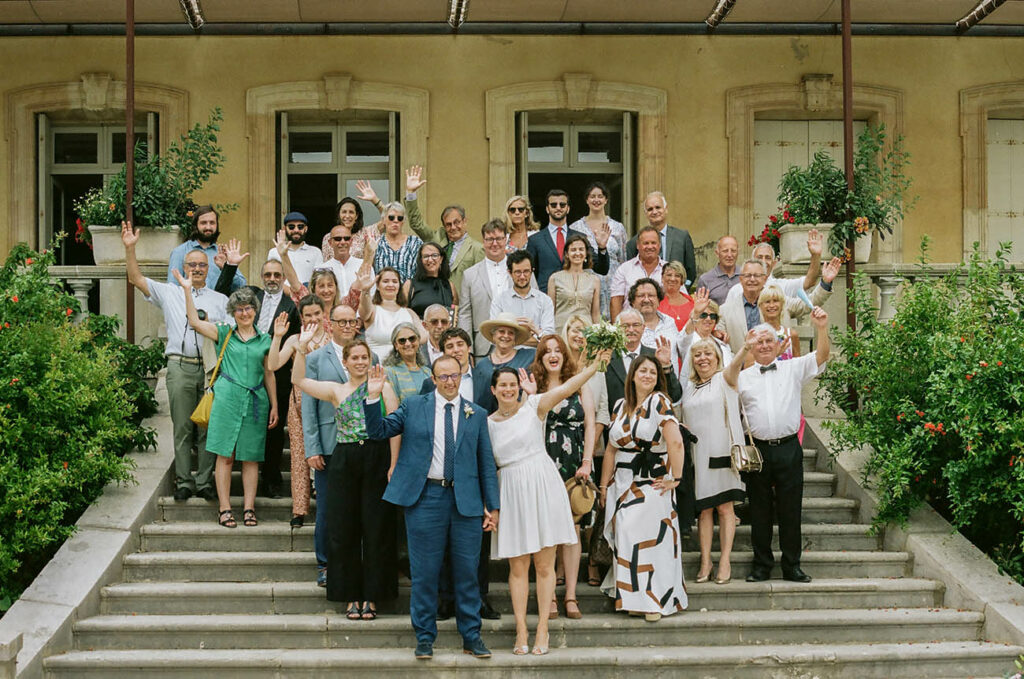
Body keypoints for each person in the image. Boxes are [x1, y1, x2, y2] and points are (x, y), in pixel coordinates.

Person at [362, 356, 500, 661]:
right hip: (425, 498)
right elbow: (378, 431)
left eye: (454, 376)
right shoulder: (414, 406)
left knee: (467, 574)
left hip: (466, 502)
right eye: (443, 377)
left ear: (462, 376)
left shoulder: (475, 413)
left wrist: (494, 506)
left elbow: (486, 464)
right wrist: (373, 397)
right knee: (424, 573)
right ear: (433, 379)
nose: (449, 382)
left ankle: (471, 636)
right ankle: (424, 637)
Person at [488, 351, 611, 655]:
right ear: (493, 390)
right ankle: (521, 629)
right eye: (501, 385)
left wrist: (594, 366)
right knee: (518, 568)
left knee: (544, 566)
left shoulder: (534, 406)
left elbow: (568, 388)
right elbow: (484, 467)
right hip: (511, 490)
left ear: (519, 386)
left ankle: (542, 627)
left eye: (511, 384)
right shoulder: (486, 423)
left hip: (542, 484)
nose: (507, 389)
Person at [293, 332, 399, 619]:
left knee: (376, 528)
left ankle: (374, 596)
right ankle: (351, 594)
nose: (361, 362)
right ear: (346, 361)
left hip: (377, 458)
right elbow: (299, 381)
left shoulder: (384, 388)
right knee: (345, 528)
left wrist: (393, 464)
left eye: (365, 357)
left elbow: (395, 428)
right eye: (355, 357)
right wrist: (301, 349)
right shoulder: (336, 390)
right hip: (345, 459)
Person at [122, 221, 228, 502]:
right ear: (183, 266)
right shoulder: (169, 292)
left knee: (208, 428)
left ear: (208, 269)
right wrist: (130, 248)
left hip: (208, 371)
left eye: (201, 266)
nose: (196, 269)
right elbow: (135, 278)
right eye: (191, 265)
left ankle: (205, 481)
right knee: (182, 427)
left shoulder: (220, 300)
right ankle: (184, 481)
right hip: (179, 366)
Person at [724, 308, 831, 584]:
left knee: (790, 509)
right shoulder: (743, 375)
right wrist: (742, 349)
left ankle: (792, 565)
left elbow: (820, 357)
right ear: (751, 346)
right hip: (758, 451)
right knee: (759, 510)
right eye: (758, 342)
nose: (763, 346)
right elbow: (726, 379)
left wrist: (821, 328)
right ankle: (761, 565)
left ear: (777, 344)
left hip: (788, 448)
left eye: (768, 341)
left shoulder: (792, 369)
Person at [175, 267, 277, 530]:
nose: (244, 313)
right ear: (233, 312)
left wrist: (275, 404)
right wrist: (188, 290)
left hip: (256, 400)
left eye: (248, 308)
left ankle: (249, 507)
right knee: (225, 455)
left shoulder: (265, 339)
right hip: (227, 398)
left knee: (251, 457)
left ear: (255, 310)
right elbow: (195, 322)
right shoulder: (224, 333)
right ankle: (224, 508)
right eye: (239, 309)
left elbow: (269, 373)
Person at [598, 354, 687, 621]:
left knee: (648, 540)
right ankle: (631, 597)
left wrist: (676, 478)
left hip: (652, 480)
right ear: (633, 375)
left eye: (652, 371)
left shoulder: (659, 402)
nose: (647, 375)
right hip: (622, 482)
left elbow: (676, 442)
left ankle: (654, 601)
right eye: (642, 370)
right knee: (625, 536)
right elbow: (611, 450)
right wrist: (604, 486)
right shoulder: (620, 405)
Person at [215, 241, 300, 500]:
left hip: (277, 371)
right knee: (245, 428)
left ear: (283, 277)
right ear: (261, 278)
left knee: (274, 430)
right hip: (245, 370)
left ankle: (271, 479)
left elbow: (294, 337)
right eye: (267, 275)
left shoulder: (291, 305)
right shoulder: (252, 296)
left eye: (277, 275)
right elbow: (220, 292)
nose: (272, 279)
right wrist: (231, 265)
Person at [531, 334, 596, 621]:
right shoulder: (534, 387)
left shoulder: (579, 384)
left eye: (558, 350)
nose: (553, 355)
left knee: (573, 530)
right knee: (546, 531)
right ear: (541, 358)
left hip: (573, 464)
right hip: (542, 463)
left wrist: (587, 461)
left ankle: (570, 594)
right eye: (547, 351)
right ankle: (549, 597)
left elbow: (591, 425)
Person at [302, 303, 362, 587]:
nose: (348, 326)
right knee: (327, 506)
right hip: (328, 442)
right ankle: (325, 562)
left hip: (359, 444)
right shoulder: (316, 358)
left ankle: (352, 558)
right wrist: (312, 447)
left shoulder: (364, 356)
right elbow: (308, 405)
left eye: (352, 321)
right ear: (330, 324)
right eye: (342, 322)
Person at [682, 338, 746, 585]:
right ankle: (706, 560)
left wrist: (746, 346)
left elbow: (737, 365)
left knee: (724, 508)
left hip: (722, 454)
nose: (703, 358)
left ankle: (725, 560)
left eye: (708, 353)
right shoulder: (689, 386)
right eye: (697, 355)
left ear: (718, 358)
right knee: (704, 510)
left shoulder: (725, 379)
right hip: (698, 455)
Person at [268, 296, 330, 529]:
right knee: (299, 457)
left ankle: (328, 505)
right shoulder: (294, 339)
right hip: (300, 404)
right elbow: (273, 365)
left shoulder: (332, 339)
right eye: (308, 315)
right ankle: (299, 510)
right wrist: (277, 337)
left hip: (327, 404)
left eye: (317, 314)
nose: (313, 319)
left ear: (323, 313)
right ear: (301, 317)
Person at [561, 314, 611, 587]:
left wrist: (588, 444)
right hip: (560, 447)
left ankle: (591, 562)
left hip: (591, 446)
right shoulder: (559, 364)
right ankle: (560, 565)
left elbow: (601, 410)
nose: (578, 335)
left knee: (587, 505)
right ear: (566, 333)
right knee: (563, 509)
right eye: (573, 330)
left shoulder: (598, 368)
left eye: (583, 331)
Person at [719, 257, 838, 356]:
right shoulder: (725, 311)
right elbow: (719, 342)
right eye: (748, 275)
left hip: (778, 372)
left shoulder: (779, 303)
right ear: (740, 279)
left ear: (765, 279)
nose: (752, 279)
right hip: (742, 376)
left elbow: (805, 305)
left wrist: (825, 283)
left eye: (757, 275)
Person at [403, 166, 484, 292]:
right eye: (448, 224)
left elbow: (480, 284)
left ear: (464, 221)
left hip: (459, 304)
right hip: (435, 298)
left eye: (457, 222)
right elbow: (416, 223)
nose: (453, 227)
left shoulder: (477, 249)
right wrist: (411, 193)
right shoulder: (436, 239)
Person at [526, 189, 609, 293]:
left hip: (574, 298)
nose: (558, 208)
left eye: (562, 205)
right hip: (545, 298)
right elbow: (529, 272)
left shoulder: (580, 237)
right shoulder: (535, 240)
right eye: (553, 205)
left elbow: (602, 269)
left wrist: (602, 248)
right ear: (547, 209)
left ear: (568, 208)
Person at [605, 308, 682, 412]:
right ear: (617, 329)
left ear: (643, 328)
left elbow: (674, 395)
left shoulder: (655, 356)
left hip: (650, 422)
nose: (631, 330)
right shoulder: (607, 358)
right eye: (625, 326)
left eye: (636, 325)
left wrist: (665, 366)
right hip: (616, 422)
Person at [569, 181, 628, 318]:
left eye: (600, 196)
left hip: (613, 286)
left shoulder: (618, 228)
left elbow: (623, 260)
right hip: (586, 286)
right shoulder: (576, 227)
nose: (596, 200)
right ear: (587, 200)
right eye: (592, 196)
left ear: (606, 200)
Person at [722, 231, 825, 305]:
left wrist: (816, 256)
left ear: (774, 263)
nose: (763, 261)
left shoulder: (782, 286)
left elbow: (809, 282)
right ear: (752, 260)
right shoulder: (736, 290)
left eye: (767, 257)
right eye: (759, 257)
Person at [459, 219, 514, 358]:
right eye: (489, 239)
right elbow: (465, 314)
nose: (494, 244)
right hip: (483, 347)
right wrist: (467, 349)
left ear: (506, 239)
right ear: (483, 241)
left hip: (516, 343)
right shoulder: (470, 275)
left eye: (499, 239)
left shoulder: (520, 269)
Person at [167, 205, 246, 292]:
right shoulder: (180, 252)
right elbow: (172, 289)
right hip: (189, 304)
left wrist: (227, 268)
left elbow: (241, 287)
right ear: (195, 225)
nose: (208, 227)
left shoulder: (222, 254)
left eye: (212, 223)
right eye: (203, 223)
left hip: (218, 304)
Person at [625, 191, 696, 287]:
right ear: (646, 214)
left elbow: (691, 272)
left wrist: (684, 289)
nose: (654, 212)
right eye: (650, 209)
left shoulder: (682, 237)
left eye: (658, 207)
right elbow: (631, 274)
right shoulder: (633, 243)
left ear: (666, 209)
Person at [357, 266, 427, 362]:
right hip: (378, 368)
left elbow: (423, 337)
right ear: (377, 286)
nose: (390, 284)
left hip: (405, 368)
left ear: (399, 286)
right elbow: (363, 312)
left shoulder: (409, 313)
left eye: (394, 281)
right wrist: (365, 291)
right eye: (385, 281)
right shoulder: (373, 310)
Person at [473, 313, 536, 414]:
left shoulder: (529, 356)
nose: (506, 336)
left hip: (521, 418)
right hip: (493, 422)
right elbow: (480, 400)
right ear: (493, 336)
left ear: (515, 338)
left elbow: (553, 349)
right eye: (501, 331)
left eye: (510, 333)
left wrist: (537, 331)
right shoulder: (482, 365)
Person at [490, 250, 554, 348]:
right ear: (510, 273)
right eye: (518, 272)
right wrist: (535, 337)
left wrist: (533, 328)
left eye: (526, 271)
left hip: (536, 358)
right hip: (509, 359)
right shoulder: (499, 301)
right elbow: (495, 337)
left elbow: (549, 339)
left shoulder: (545, 301)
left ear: (532, 271)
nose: (522, 276)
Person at [610, 226, 666, 321]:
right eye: (645, 243)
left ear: (659, 245)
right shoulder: (624, 269)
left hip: (660, 327)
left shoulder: (669, 270)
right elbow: (616, 301)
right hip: (630, 328)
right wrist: (617, 331)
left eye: (653, 243)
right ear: (637, 245)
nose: (649, 247)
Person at [676, 287, 733, 381]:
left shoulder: (721, 343)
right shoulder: (689, 340)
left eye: (713, 316)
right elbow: (685, 336)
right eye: (703, 315)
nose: (708, 319)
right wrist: (696, 313)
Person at [547, 232, 600, 331]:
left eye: (581, 249)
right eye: (573, 250)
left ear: (586, 254)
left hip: (585, 334)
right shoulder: (554, 278)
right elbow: (550, 312)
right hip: (560, 331)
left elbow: (595, 313)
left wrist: (597, 337)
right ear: (567, 254)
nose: (577, 253)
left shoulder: (594, 280)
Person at [629, 277, 681, 371]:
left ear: (658, 300)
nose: (646, 300)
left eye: (651, 295)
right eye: (641, 296)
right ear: (632, 302)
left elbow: (682, 349)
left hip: (669, 381)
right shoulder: (625, 325)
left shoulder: (670, 322)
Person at [321, 189, 381, 263]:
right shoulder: (329, 238)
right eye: (344, 212)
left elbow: (388, 220)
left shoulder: (365, 233)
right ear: (339, 215)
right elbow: (326, 266)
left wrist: (375, 200)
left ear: (356, 216)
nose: (347, 216)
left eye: (351, 212)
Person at [266, 211, 323, 287]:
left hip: (307, 296)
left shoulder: (315, 252)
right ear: (284, 229)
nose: (296, 230)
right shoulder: (274, 252)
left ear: (305, 229)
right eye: (291, 227)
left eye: (300, 227)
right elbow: (271, 278)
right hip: (281, 295)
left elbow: (319, 280)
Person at [402, 241, 458, 319]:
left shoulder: (449, 285)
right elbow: (401, 314)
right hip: (417, 329)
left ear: (441, 259)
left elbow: (454, 317)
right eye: (426, 256)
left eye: (434, 255)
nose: (430, 260)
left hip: (443, 330)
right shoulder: (410, 284)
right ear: (421, 260)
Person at [373, 202, 423, 283]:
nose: (396, 221)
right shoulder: (376, 243)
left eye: (400, 218)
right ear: (383, 220)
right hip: (382, 293)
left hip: (411, 293)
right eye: (391, 218)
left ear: (403, 221)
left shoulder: (416, 243)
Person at [384, 322, 433, 403]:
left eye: (412, 339)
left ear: (418, 340)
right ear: (396, 345)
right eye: (402, 340)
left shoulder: (428, 372)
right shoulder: (389, 372)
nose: (408, 343)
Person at [316, 223, 362, 298]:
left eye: (346, 238)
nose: (343, 242)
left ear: (351, 241)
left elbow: (372, 295)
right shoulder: (322, 269)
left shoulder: (362, 265)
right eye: (338, 239)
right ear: (330, 243)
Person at [696, 235, 741, 305]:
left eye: (733, 251)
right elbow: (701, 309)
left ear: (738, 252)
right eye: (725, 251)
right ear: (717, 253)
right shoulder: (705, 279)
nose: (729, 255)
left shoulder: (746, 275)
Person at [660, 261, 695, 331]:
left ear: (682, 280)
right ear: (662, 278)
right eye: (669, 275)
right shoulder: (655, 301)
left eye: (677, 276)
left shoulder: (692, 303)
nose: (673, 279)